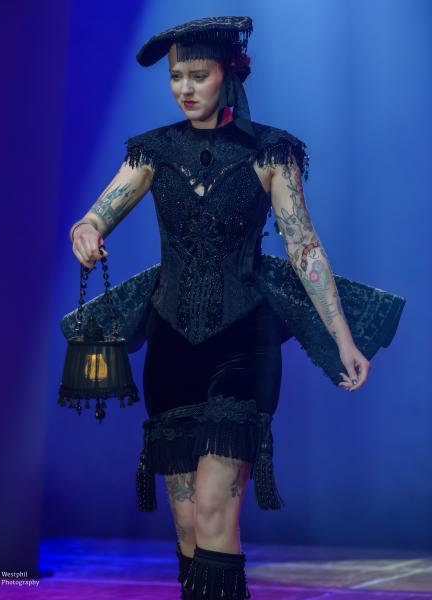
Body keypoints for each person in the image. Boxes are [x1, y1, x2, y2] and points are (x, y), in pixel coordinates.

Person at [68, 16, 374, 599]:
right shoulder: (152, 151)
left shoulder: (272, 152)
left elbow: (304, 247)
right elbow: (93, 218)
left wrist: (342, 339)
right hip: (171, 349)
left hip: (244, 345)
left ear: (229, 74)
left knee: (213, 512)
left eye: (197, 75)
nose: (184, 89)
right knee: (187, 526)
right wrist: (85, 232)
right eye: (176, 77)